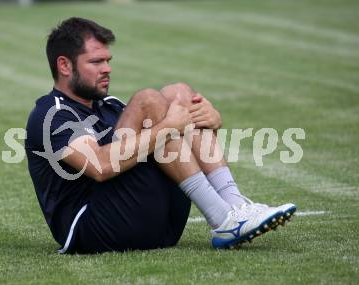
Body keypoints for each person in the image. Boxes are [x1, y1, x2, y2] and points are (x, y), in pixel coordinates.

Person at [25, 17, 296, 254]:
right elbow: (100, 166)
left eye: (108, 61)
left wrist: (209, 121)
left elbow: (169, 141)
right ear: (64, 65)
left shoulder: (110, 106)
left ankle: (234, 205)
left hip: (160, 226)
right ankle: (222, 218)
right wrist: (170, 126)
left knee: (178, 93)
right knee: (149, 101)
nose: (107, 68)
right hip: (94, 231)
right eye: (96, 61)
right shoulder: (52, 113)